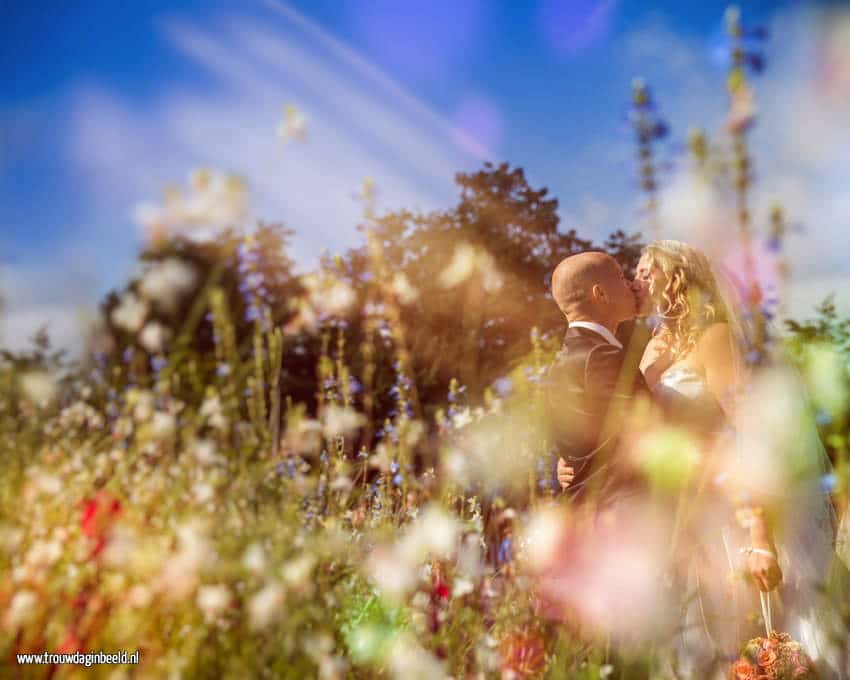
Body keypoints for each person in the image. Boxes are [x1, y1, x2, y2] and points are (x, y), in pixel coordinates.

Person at [632, 240, 844, 678]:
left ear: (675, 280)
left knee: (762, 639)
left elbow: (749, 435)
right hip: (687, 511)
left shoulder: (715, 338)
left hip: (731, 513)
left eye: (644, 271)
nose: (635, 280)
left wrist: (759, 535)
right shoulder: (651, 344)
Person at [544, 251, 650, 505]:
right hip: (619, 516)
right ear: (600, 294)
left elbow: (585, 443)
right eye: (620, 277)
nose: (631, 284)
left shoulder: (562, 360)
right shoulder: (601, 355)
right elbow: (650, 430)